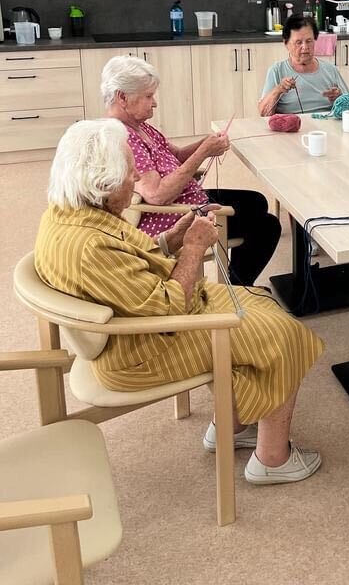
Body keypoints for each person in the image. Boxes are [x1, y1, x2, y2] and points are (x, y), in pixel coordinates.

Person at [35, 119, 324, 482]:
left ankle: (230, 428)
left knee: (259, 300)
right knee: (282, 334)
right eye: (129, 174)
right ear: (102, 185)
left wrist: (172, 238)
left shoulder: (69, 215)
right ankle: (273, 460)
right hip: (139, 353)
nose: (135, 179)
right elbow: (168, 307)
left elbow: (127, 268)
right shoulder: (91, 247)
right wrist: (193, 249)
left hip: (135, 327)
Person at [102, 55, 280, 288]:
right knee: (268, 226)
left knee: (257, 201)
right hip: (173, 217)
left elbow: (175, 156)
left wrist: (206, 143)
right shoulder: (125, 138)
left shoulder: (139, 126)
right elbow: (157, 195)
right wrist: (203, 152)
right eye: (148, 96)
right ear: (122, 97)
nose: (154, 103)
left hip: (188, 198)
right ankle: (237, 287)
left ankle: (237, 279)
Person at [258, 14, 348, 116]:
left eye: (309, 41)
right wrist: (278, 90)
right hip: (292, 124)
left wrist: (340, 98)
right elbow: (264, 114)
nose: (305, 47)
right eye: (298, 42)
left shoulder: (330, 69)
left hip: (326, 123)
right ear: (286, 43)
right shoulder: (277, 71)